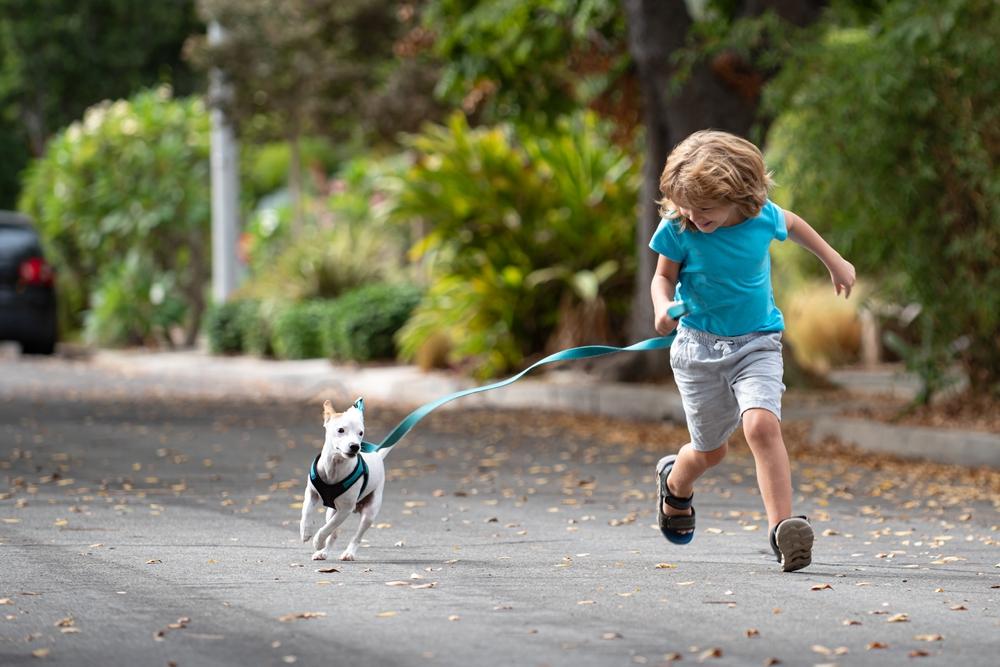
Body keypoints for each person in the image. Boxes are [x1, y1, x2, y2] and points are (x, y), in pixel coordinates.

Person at [649, 129, 855, 572]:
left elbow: (795, 224)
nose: (694, 216)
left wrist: (834, 260)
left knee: (761, 427)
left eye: (705, 209)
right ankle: (676, 481)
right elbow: (662, 278)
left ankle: (783, 530)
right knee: (711, 452)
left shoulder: (761, 216)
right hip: (698, 351)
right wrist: (662, 307)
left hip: (757, 343)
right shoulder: (679, 227)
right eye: (687, 206)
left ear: (738, 194)